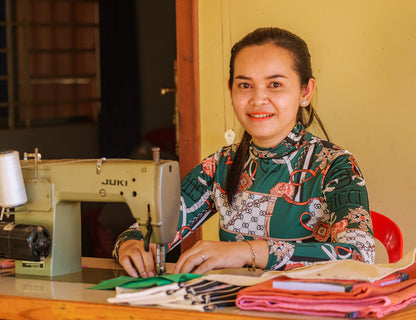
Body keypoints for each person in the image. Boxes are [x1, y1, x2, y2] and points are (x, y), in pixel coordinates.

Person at [113, 27, 375, 278]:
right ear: (231, 90)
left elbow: (359, 256)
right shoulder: (220, 166)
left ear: (305, 92)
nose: (257, 99)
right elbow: (147, 231)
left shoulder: (336, 166)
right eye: (245, 85)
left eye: (275, 84)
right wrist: (131, 245)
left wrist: (246, 252)